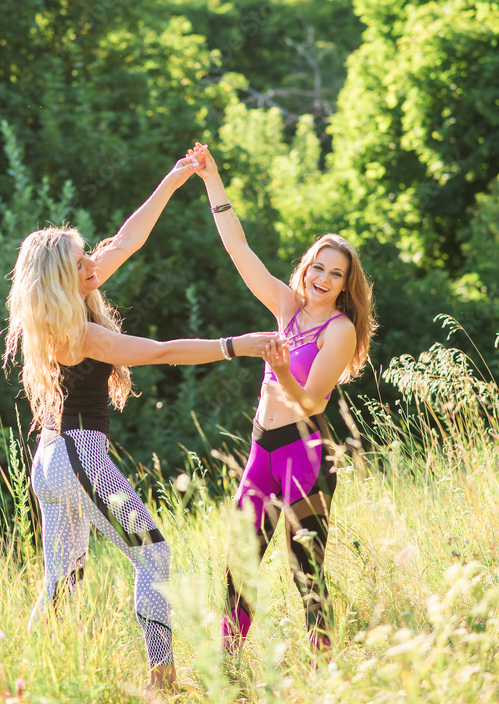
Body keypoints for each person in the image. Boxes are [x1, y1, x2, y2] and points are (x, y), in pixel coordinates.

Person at [3, 154, 277, 692]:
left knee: (62, 582)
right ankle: (161, 680)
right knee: (153, 553)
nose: (94, 265)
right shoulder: (80, 333)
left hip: (50, 460)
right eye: (84, 261)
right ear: (65, 275)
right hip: (81, 455)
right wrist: (236, 346)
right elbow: (164, 351)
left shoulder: (60, 312)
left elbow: (127, 240)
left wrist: (175, 180)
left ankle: (23, 683)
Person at [189, 142, 376, 652]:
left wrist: (278, 371)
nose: (322, 278)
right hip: (260, 452)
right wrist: (212, 179)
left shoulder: (338, 330)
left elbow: (313, 402)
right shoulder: (286, 306)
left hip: (304, 454)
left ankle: (322, 673)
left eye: (335, 274)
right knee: (239, 564)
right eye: (319, 266)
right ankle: (229, 666)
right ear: (307, 266)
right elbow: (238, 249)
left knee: (306, 575)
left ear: (344, 285)